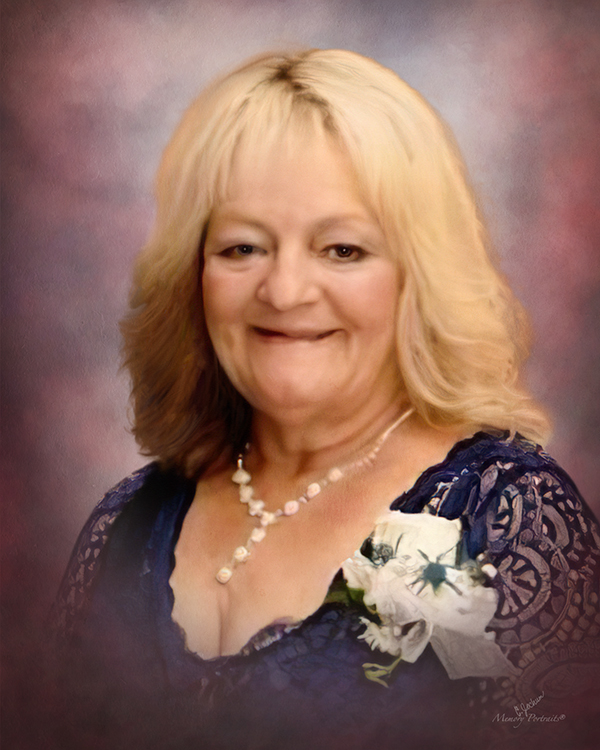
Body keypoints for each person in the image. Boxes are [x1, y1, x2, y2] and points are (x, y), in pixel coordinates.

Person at [51, 49, 600, 750]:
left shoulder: (506, 519)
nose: (284, 292)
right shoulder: (125, 524)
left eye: (342, 250)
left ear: (418, 279)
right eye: (242, 248)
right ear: (192, 274)